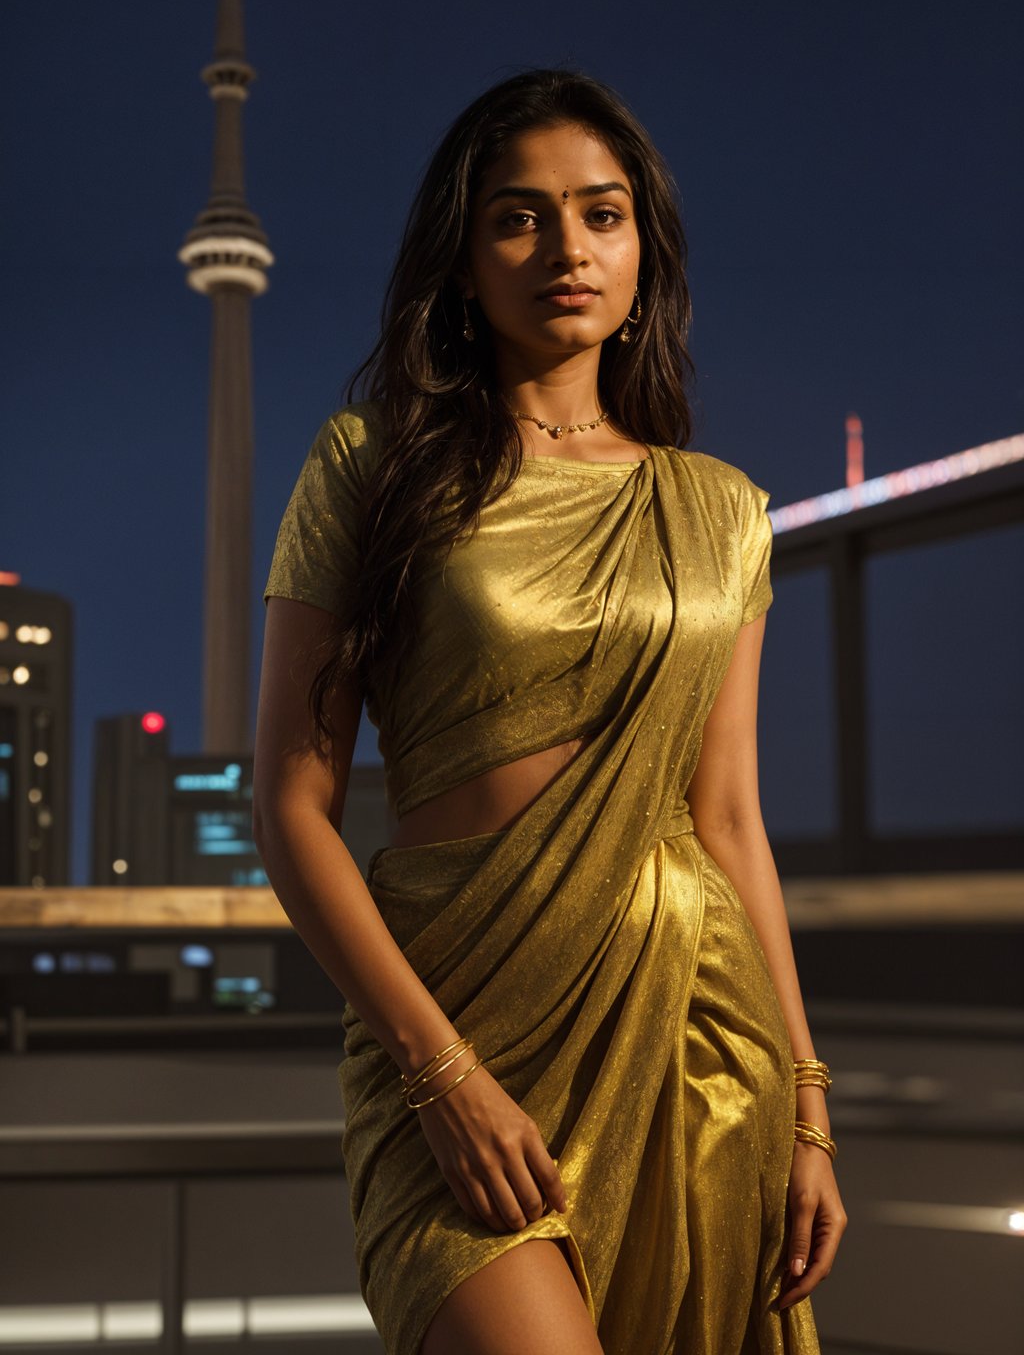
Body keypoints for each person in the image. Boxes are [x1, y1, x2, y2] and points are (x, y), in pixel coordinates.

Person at [254, 67, 847, 1355]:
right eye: (518, 217)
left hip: (695, 1037)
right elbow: (290, 810)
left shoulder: (720, 509)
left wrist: (806, 1105)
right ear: (462, 263)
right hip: (453, 1030)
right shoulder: (372, 466)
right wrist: (442, 1074)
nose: (566, 249)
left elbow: (730, 819)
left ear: (646, 251)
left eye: (603, 213)